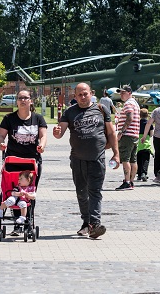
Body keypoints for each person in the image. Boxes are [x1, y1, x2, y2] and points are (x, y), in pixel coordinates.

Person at [53, 82, 119, 239]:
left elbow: (111, 133)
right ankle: (86, 223)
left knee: (95, 191)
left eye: (85, 94)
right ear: (75, 96)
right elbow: (60, 132)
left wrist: (116, 154)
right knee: (82, 193)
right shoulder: (70, 112)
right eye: (79, 94)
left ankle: (95, 224)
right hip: (78, 160)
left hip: (97, 158)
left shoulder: (101, 109)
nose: (83, 97)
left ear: (91, 93)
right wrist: (56, 132)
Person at [0, 90, 48, 186]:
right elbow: (1, 135)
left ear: (31, 101)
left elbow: (43, 135)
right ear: (17, 101)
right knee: (11, 190)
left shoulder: (38, 118)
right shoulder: (9, 118)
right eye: (20, 98)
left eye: (25, 98)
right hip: (13, 161)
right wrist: (1, 143)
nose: (22, 100)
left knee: (30, 192)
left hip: (32, 161)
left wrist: (42, 145)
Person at [115, 86, 140, 190]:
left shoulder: (128, 104)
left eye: (123, 93)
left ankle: (127, 182)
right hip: (135, 134)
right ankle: (131, 181)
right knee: (133, 160)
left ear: (129, 92)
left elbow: (129, 118)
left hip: (127, 135)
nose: (121, 95)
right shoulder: (135, 104)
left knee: (125, 159)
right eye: (120, 93)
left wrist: (121, 131)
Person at [136, 108, 154, 182]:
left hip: (138, 144)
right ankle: (144, 173)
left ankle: (139, 174)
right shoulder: (149, 124)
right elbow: (151, 134)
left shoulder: (137, 123)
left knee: (138, 159)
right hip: (146, 144)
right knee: (146, 160)